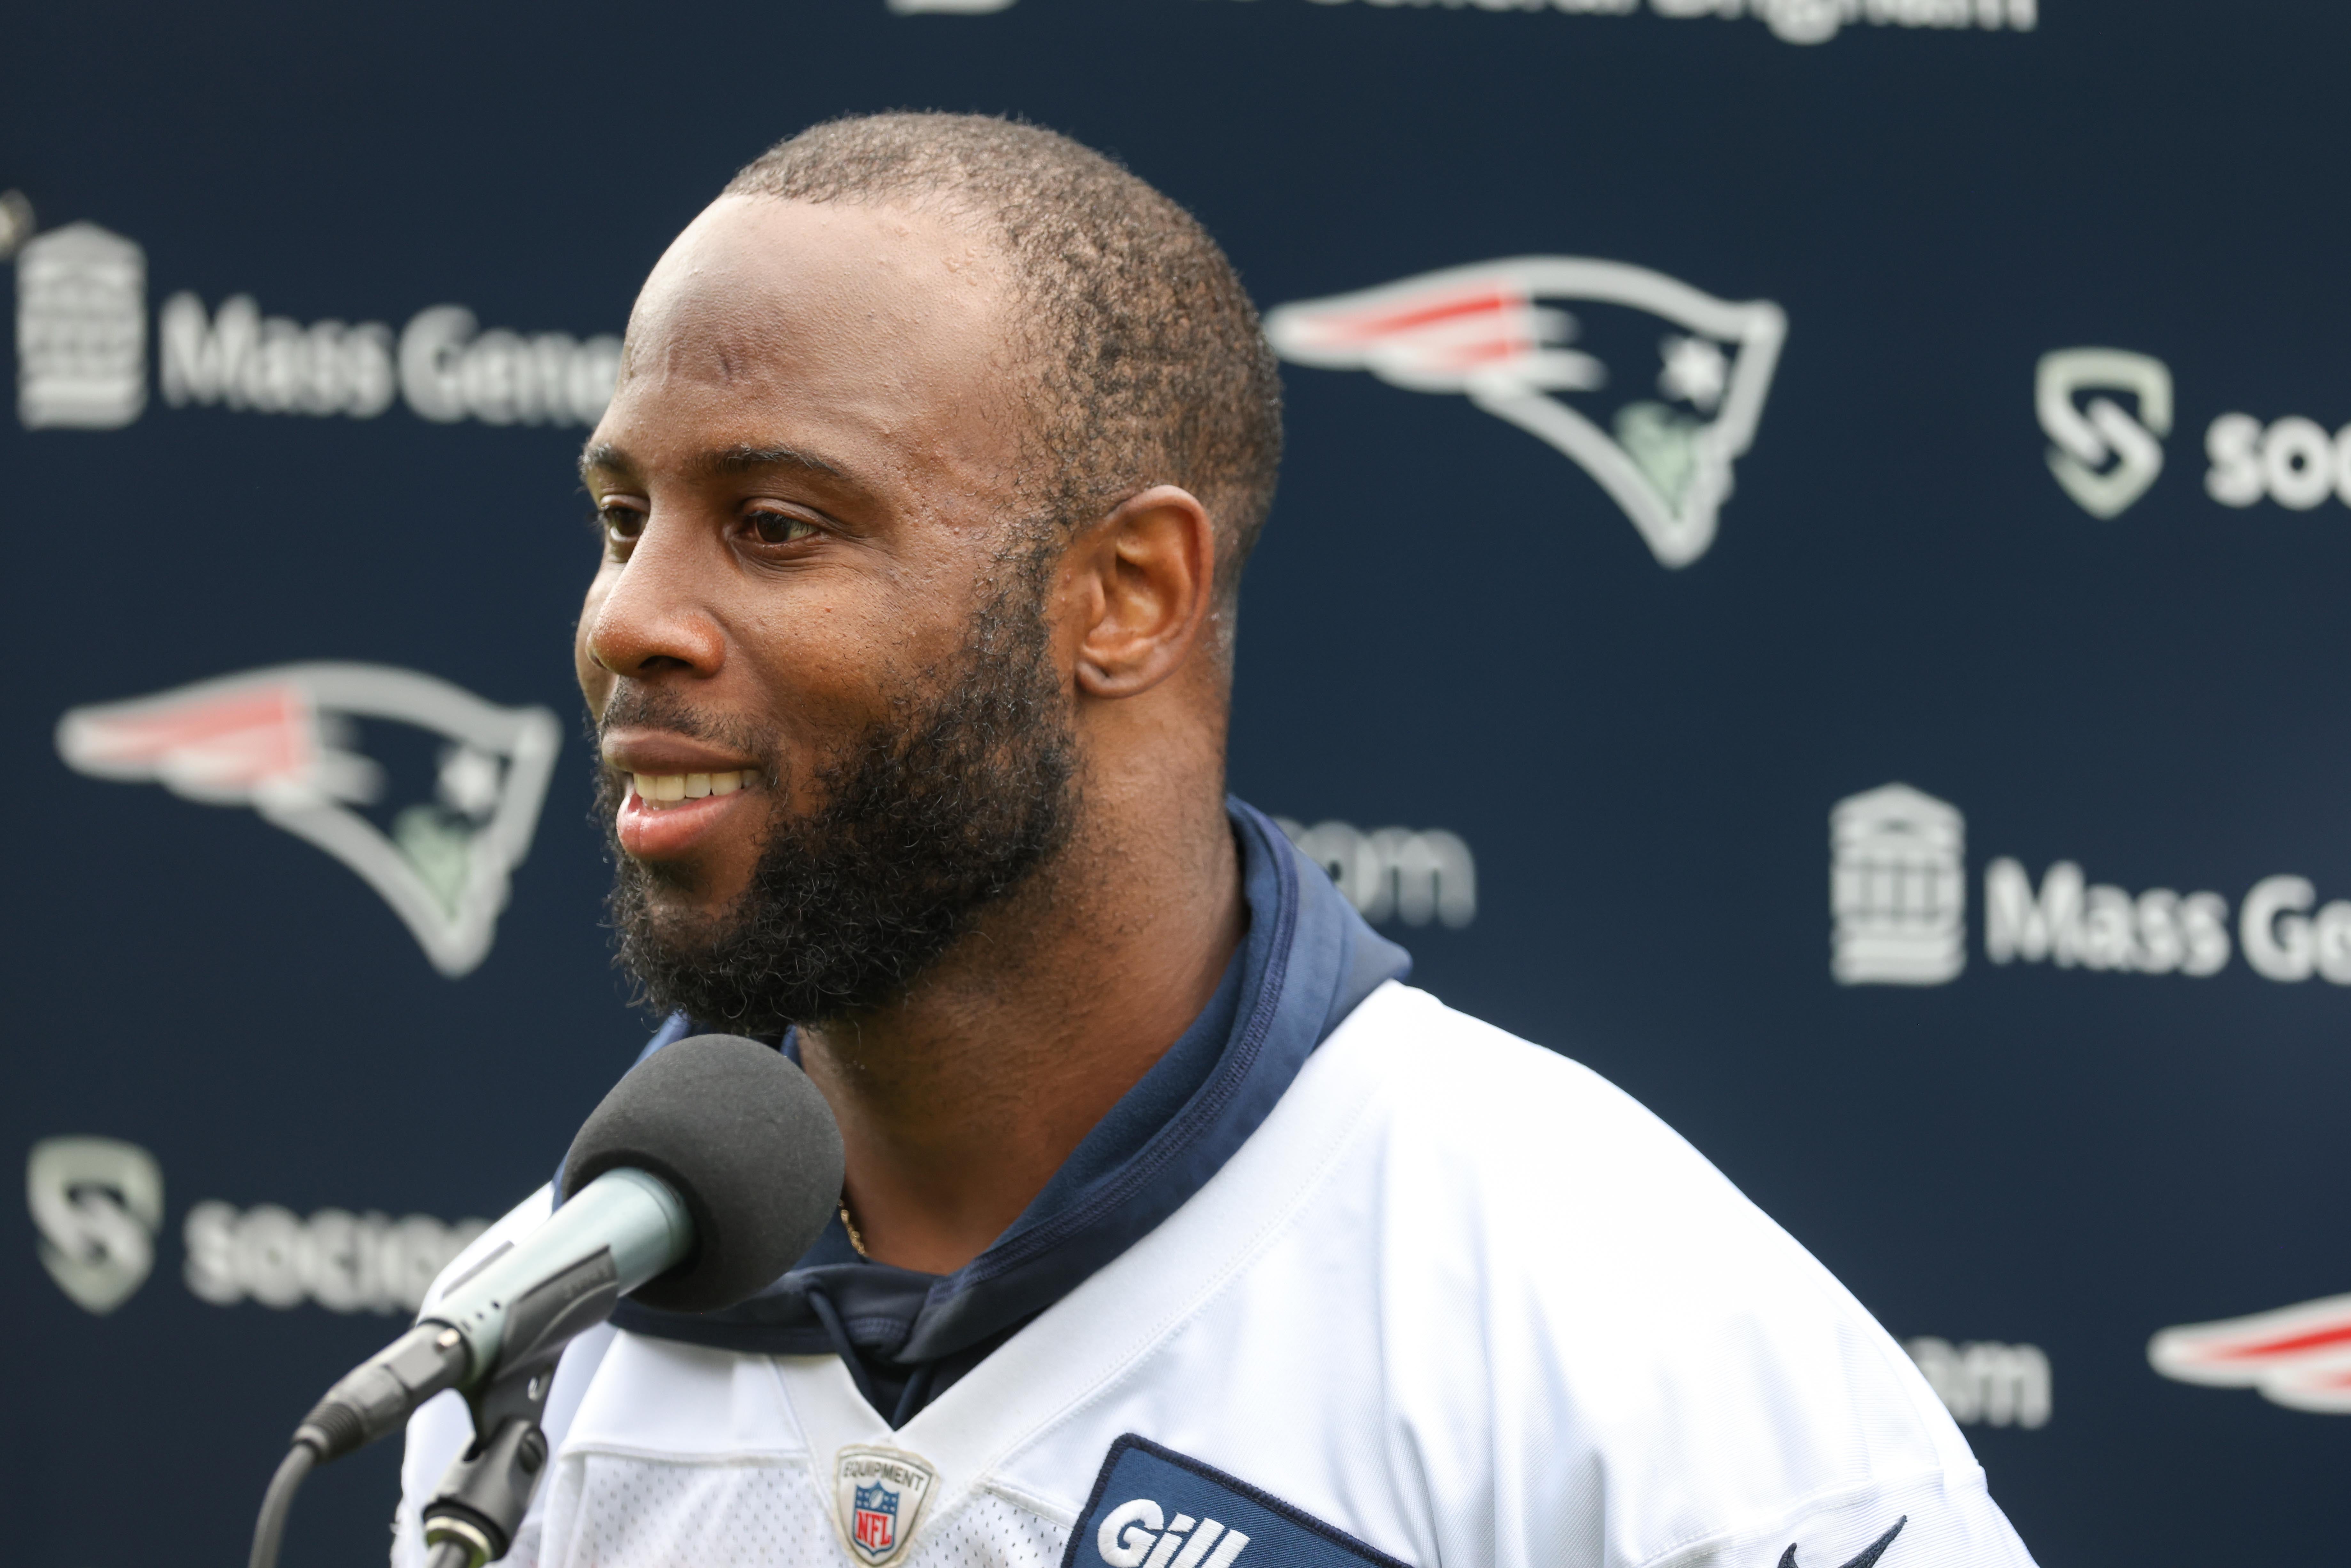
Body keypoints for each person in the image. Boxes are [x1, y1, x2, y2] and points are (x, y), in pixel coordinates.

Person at [394, 113, 2035, 1568]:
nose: (629, 617)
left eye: (775, 525)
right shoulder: (531, 1339)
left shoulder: (1636, 1361)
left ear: (1128, 595)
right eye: (623, 519)